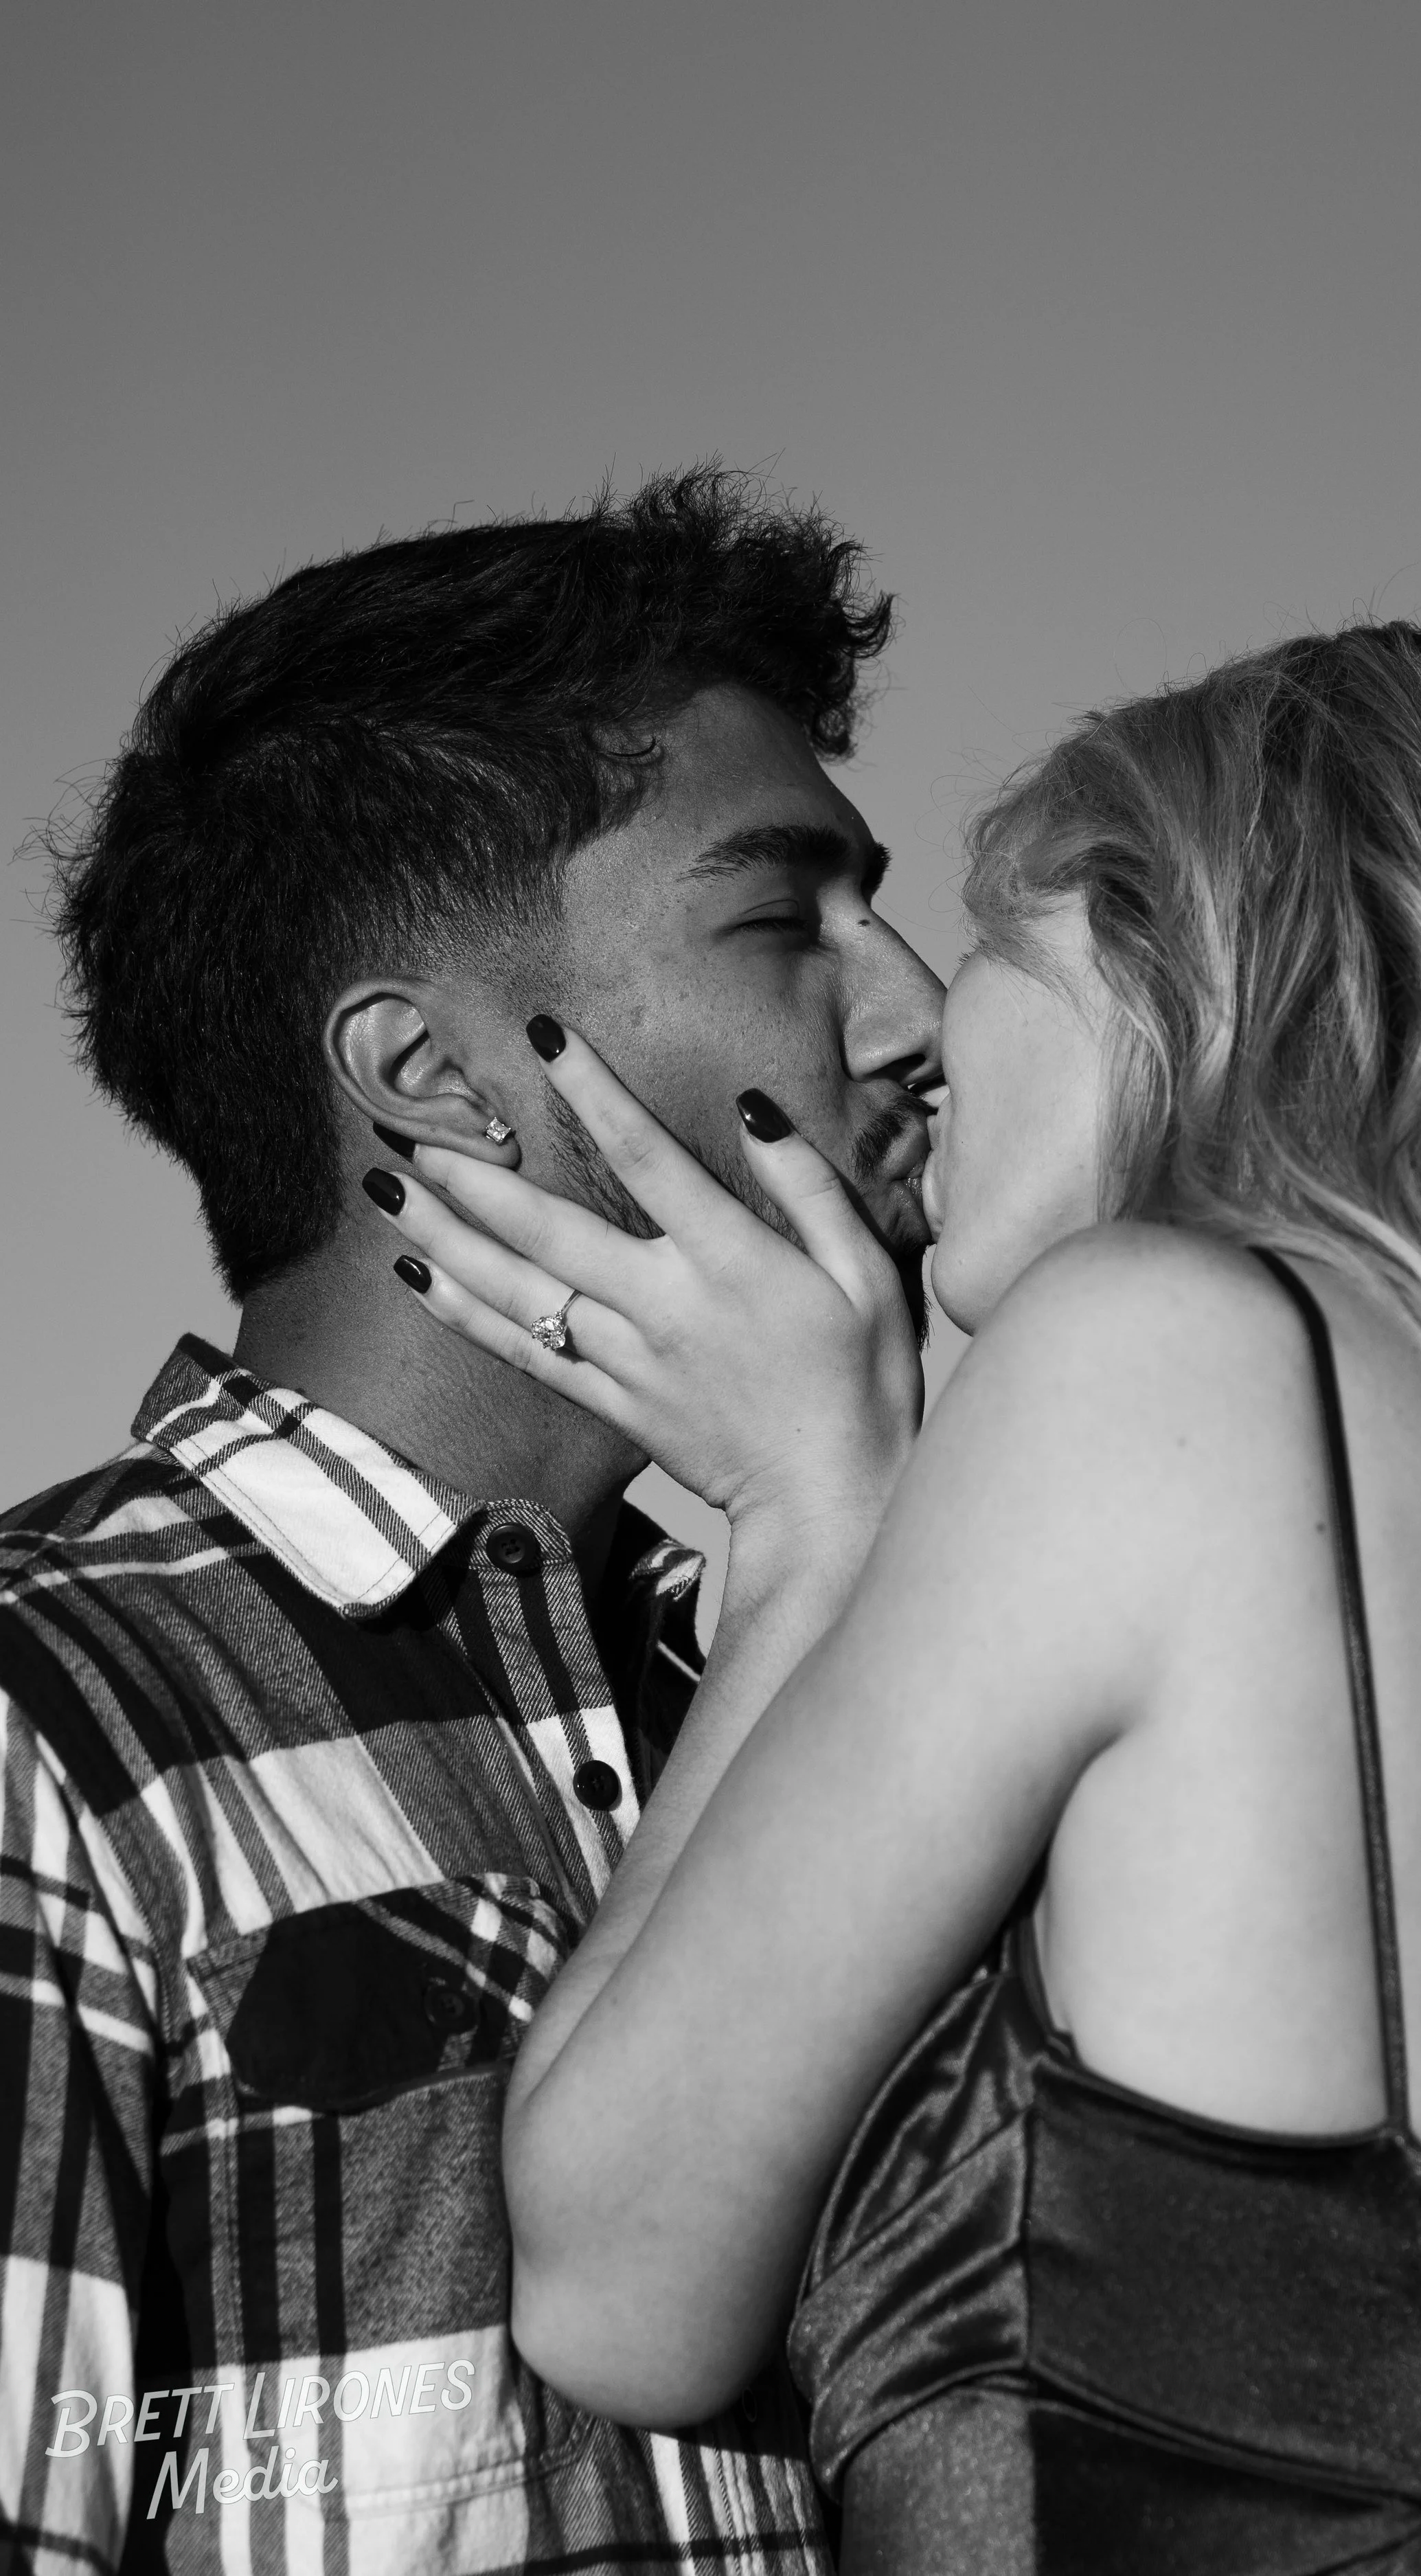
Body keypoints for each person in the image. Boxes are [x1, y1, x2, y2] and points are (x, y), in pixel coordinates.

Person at [374, 619, 1421, 2572]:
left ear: (1182, 949)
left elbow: (613, 2282)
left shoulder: (1160, 1358)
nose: (917, 1031)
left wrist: (814, 1519)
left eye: (993, 941)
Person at [0, 471, 943, 2574]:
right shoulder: (48, 1719)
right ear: (429, 1072)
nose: (915, 1017)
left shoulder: (859, 1664)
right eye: (784, 913)